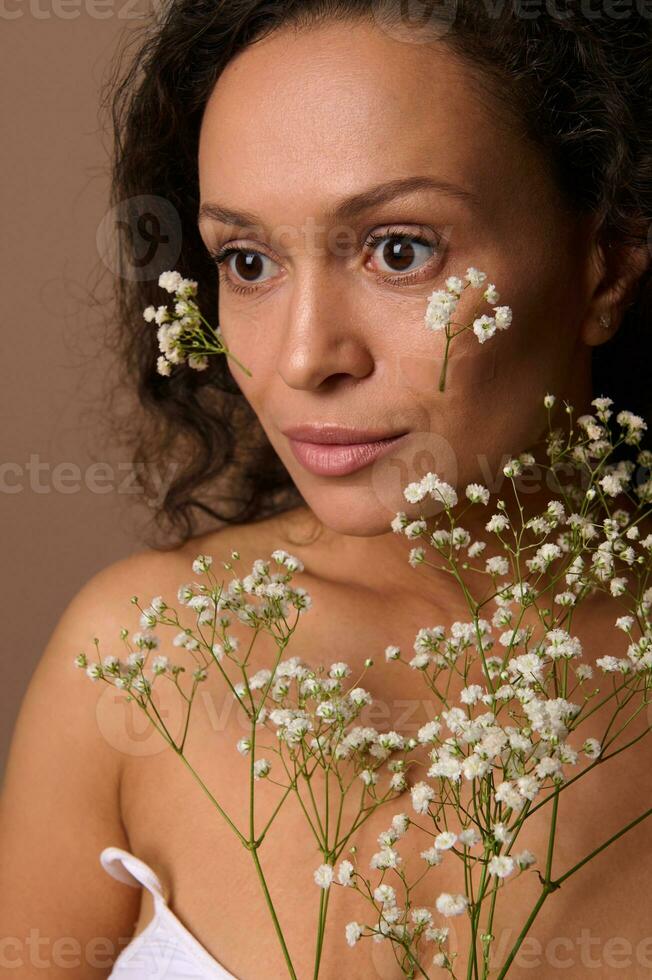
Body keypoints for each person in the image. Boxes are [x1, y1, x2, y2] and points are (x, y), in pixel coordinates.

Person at [2, 3, 651, 977]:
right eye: (248, 261)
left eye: (399, 250)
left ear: (603, 262)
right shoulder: (148, 654)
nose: (304, 357)